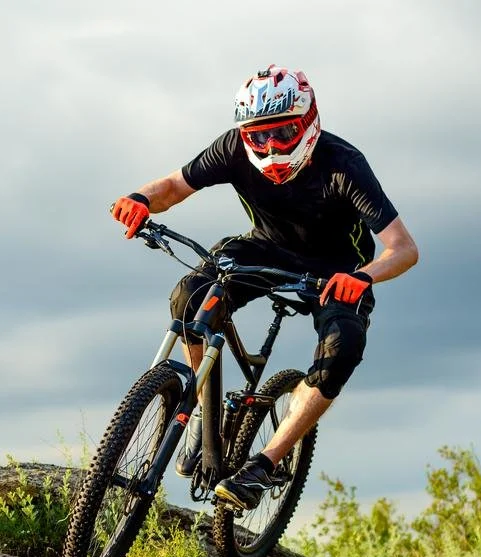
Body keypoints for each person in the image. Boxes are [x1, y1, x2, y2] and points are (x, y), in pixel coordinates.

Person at [110, 65, 419, 511]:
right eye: (258, 137)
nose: (270, 147)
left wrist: (364, 276)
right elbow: (174, 186)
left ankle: (267, 464)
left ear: (309, 121)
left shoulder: (344, 164)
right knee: (188, 297)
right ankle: (204, 410)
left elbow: (403, 248)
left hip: (339, 270)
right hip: (266, 249)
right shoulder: (232, 149)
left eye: (283, 133)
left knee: (342, 347)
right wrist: (139, 199)